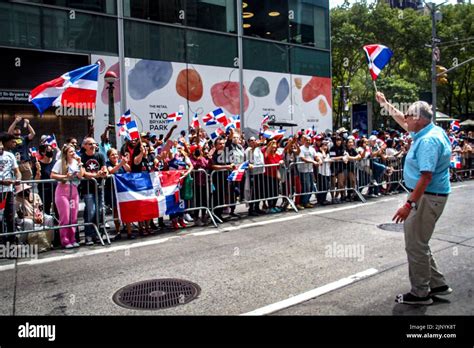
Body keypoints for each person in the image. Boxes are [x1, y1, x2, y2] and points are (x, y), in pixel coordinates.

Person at [376, 92, 453, 305]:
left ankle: (420, 293)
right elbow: (402, 120)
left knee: (415, 245)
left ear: (418, 119)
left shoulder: (428, 141)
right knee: (421, 242)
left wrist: (409, 204)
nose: (406, 118)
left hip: (426, 197)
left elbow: (426, 176)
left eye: (409, 115)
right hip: (432, 195)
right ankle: (438, 284)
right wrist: (385, 104)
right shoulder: (430, 130)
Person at [51, 144, 85, 249]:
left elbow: (81, 175)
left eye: (74, 151)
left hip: (73, 190)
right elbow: (52, 175)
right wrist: (65, 176)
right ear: (65, 154)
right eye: (71, 152)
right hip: (62, 191)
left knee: (73, 217)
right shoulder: (60, 162)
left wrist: (80, 164)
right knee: (65, 217)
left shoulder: (76, 162)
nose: (73, 153)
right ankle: (65, 240)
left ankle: (73, 238)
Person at [80, 137, 108, 245]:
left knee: (100, 211)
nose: (93, 146)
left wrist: (104, 172)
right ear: (85, 146)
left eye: (94, 144)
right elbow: (83, 173)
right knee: (90, 212)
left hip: (99, 188)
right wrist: (96, 175)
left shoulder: (100, 156)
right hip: (88, 189)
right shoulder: (82, 157)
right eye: (90, 144)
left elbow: (104, 167)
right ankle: (89, 235)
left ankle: (98, 234)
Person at [15, 183, 54, 252]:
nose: (27, 192)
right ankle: (21, 242)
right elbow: (20, 216)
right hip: (25, 219)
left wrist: (40, 216)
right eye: (24, 191)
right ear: (20, 193)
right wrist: (33, 218)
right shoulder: (17, 200)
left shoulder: (35, 195)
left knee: (49, 218)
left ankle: (50, 241)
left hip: (37, 215)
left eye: (27, 189)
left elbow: (41, 209)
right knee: (29, 222)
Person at [0, 133, 22, 244]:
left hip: (8, 192)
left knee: (10, 217)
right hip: (0, 192)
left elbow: (17, 171)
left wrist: (18, 178)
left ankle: (12, 243)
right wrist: (2, 181)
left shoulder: (10, 155)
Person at [8, 115, 36, 180]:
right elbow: (9, 132)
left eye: (18, 129)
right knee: (17, 183)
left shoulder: (24, 138)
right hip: (15, 164)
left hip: (25, 163)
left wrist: (28, 124)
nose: (17, 130)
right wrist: (15, 121)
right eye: (15, 129)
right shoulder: (11, 139)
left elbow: (33, 134)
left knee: (27, 183)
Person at [297, 135, 318, 209]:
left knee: (311, 187)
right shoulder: (301, 149)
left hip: (310, 170)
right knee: (306, 187)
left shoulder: (312, 149)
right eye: (306, 140)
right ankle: (303, 202)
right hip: (303, 171)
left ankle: (306, 201)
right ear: (303, 141)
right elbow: (303, 159)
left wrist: (319, 160)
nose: (308, 141)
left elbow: (316, 156)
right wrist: (313, 161)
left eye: (309, 140)